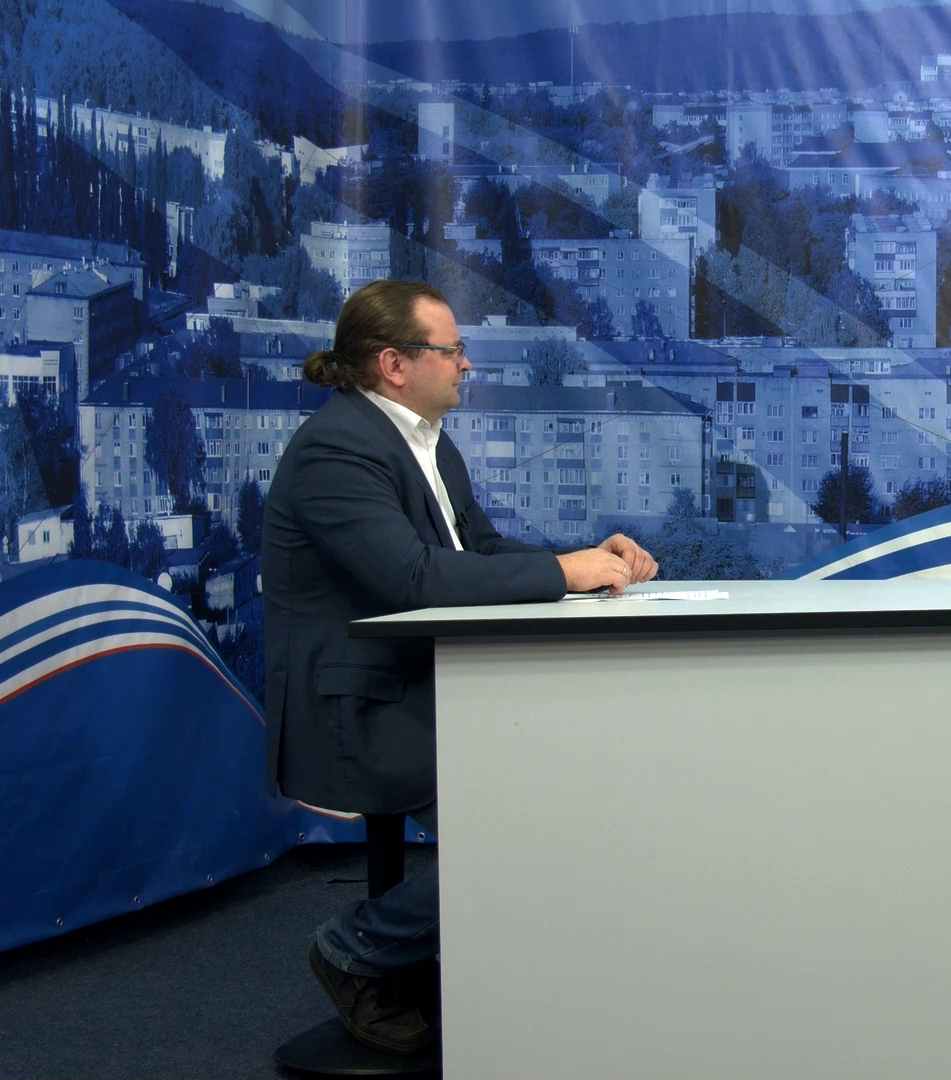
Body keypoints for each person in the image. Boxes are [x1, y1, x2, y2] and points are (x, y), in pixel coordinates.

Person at [262, 280, 657, 1055]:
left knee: (579, 794)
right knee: (539, 825)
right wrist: (563, 573)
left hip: (429, 686)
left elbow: (476, 552)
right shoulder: (335, 451)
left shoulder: (428, 443)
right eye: (452, 350)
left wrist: (584, 562)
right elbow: (411, 579)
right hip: (363, 707)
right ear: (394, 364)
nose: (466, 365)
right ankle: (357, 949)